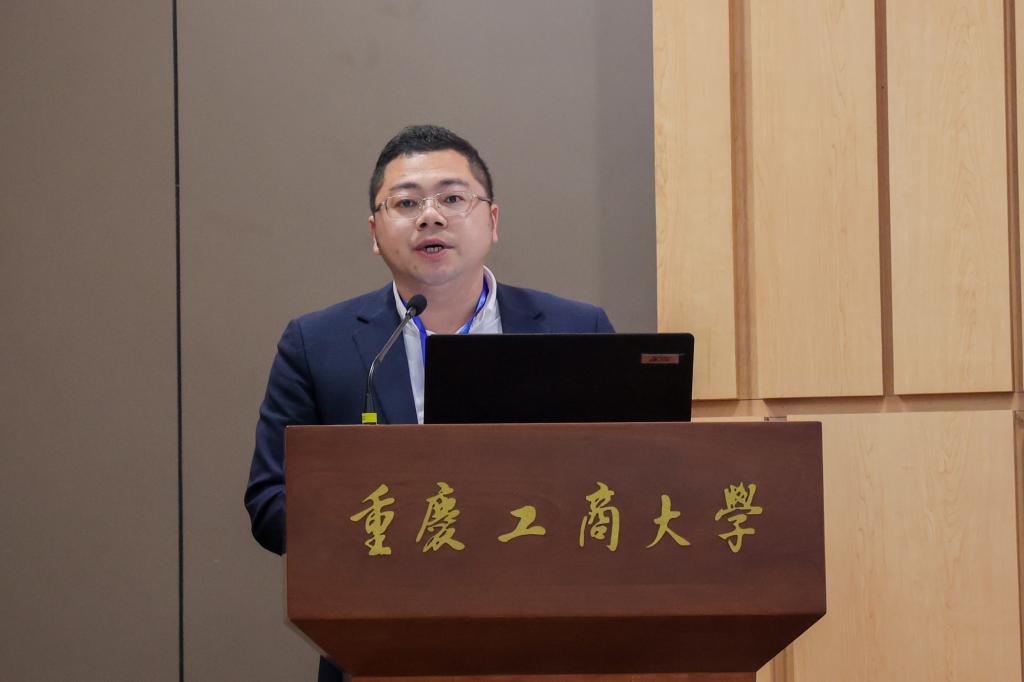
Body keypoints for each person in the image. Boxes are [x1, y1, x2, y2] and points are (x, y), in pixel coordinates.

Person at [244, 124, 615, 681]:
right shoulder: (316, 345)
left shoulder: (577, 331)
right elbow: (270, 503)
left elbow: (622, 485)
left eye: (453, 198)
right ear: (375, 232)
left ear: (492, 221)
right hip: (379, 646)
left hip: (546, 644)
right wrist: (389, 526)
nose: (431, 216)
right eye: (406, 202)